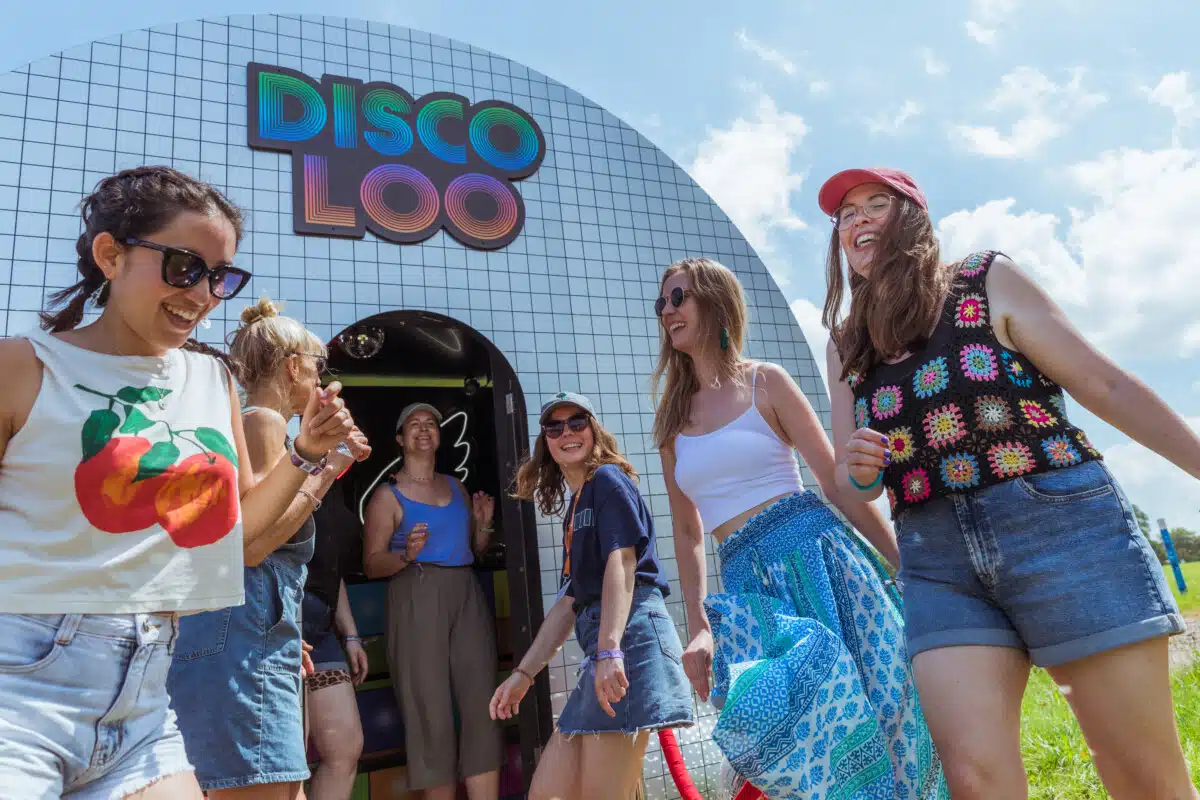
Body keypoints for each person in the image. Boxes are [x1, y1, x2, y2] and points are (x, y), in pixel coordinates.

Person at [816, 166, 1199, 799]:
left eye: (873, 204)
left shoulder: (983, 279)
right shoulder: (845, 346)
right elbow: (851, 481)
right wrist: (858, 471)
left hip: (1057, 526)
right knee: (973, 779)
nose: (855, 220)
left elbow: (1103, 384)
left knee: (1141, 775)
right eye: (844, 215)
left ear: (912, 217)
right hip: (935, 558)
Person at [0, 165, 354, 798]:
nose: (205, 294)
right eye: (186, 267)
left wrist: (307, 453)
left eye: (221, 276)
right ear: (111, 254)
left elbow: (243, 541)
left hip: (146, 697)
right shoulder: (23, 366)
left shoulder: (209, 379)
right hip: (21, 683)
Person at [653, 257, 947, 799]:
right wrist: (698, 624)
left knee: (879, 702)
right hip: (744, 585)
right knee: (792, 745)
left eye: (678, 298)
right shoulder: (671, 421)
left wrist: (904, 563)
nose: (666, 310)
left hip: (814, 558)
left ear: (715, 302)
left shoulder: (766, 382)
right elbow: (688, 533)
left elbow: (836, 483)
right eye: (662, 303)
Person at [168, 297, 371, 799]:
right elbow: (258, 541)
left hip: (257, 626)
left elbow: (267, 529)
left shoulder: (262, 420)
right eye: (318, 367)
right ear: (293, 367)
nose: (321, 380)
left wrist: (330, 464)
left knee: (285, 786)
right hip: (247, 632)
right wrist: (322, 463)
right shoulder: (265, 421)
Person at [491, 392, 694, 800]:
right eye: (555, 427)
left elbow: (623, 563)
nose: (567, 432)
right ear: (545, 441)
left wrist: (609, 652)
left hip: (629, 641)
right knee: (547, 794)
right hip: (603, 650)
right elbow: (570, 601)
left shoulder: (607, 480)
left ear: (594, 429)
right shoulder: (577, 504)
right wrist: (523, 674)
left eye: (577, 422)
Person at [362, 402, 503, 800]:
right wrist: (407, 555)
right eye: (413, 425)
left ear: (439, 436)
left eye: (430, 424)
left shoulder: (456, 487)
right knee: (429, 711)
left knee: (482, 704)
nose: (423, 430)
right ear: (400, 439)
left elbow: (474, 550)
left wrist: (484, 523)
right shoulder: (386, 498)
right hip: (415, 594)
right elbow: (371, 564)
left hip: (466, 592)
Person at [302, 477, 371, 800]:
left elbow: (332, 570)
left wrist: (352, 634)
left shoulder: (335, 481)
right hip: (279, 619)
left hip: (322, 626)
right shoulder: (284, 460)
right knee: (287, 758)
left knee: (345, 748)